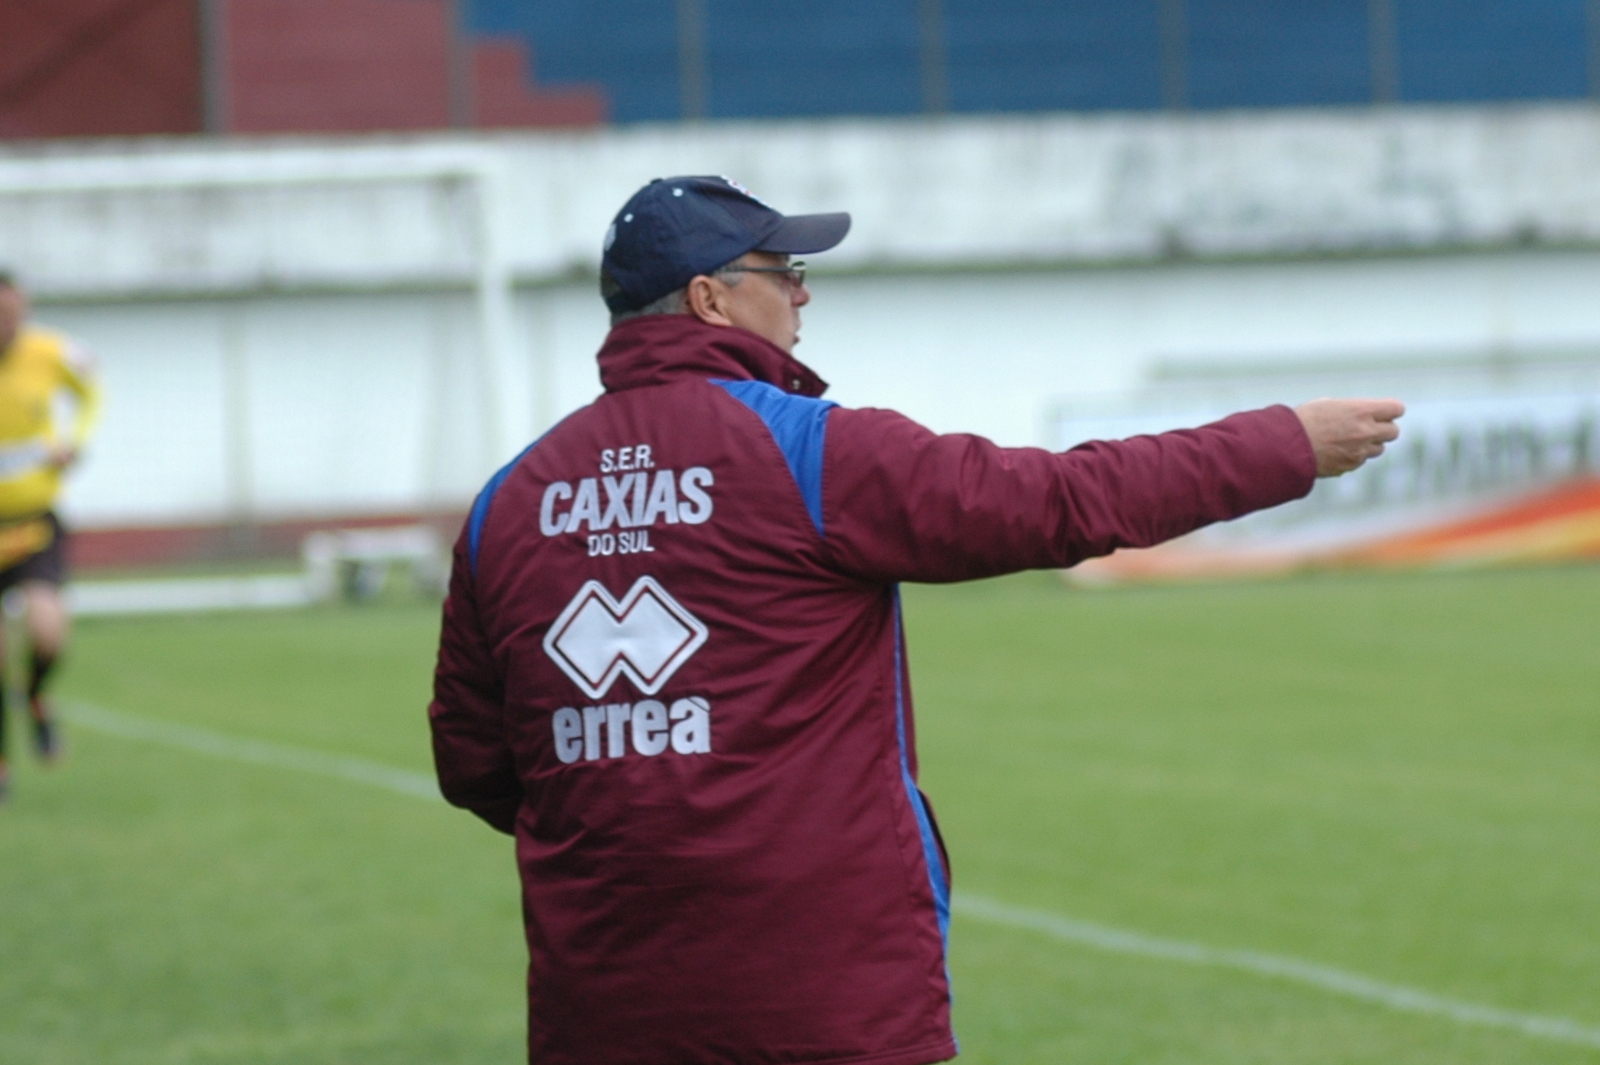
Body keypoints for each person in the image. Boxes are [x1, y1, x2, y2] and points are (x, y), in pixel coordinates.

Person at [429, 176, 1403, 1065]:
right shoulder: (812, 452)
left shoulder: (509, 499)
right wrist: (1281, 445)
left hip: (601, 1010)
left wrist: (647, 810)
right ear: (710, 298)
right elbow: (1060, 501)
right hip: (824, 1003)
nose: (803, 295)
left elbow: (475, 763)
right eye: (785, 271)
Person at [0, 271, 102, 803]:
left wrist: (76, 443)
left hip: (34, 523)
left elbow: (91, 392)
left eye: (12, 314)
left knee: (47, 633)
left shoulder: (53, 353)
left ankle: (37, 696)